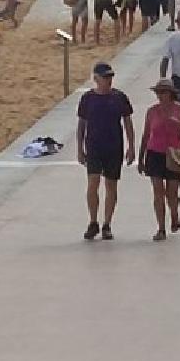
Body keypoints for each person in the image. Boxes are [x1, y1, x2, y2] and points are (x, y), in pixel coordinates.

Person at [76, 63, 135, 241]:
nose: (108, 81)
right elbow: (81, 125)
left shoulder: (119, 97)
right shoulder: (88, 98)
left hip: (113, 146)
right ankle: (93, 221)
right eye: (104, 77)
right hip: (94, 146)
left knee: (111, 185)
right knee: (93, 183)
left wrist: (131, 146)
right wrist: (79, 148)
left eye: (110, 77)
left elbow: (128, 123)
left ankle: (107, 224)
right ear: (96, 79)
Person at [137, 79, 180, 242]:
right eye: (158, 92)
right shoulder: (152, 111)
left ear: (171, 94)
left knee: (172, 193)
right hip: (155, 153)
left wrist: (179, 125)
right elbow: (146, 134)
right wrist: (141, 158)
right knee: (157, 192)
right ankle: (161, 227)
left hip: (174, 153)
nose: (161, 95)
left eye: (164, 92)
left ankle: (174, 213)